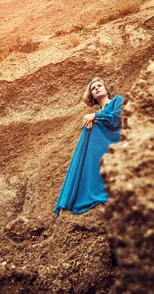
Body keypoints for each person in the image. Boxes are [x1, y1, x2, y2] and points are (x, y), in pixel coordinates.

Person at [54, 77, 124, 215]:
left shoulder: (117, 100)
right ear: (92, 96)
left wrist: (95, 116)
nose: (97, 88)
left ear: (106, 89)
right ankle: (90, 187)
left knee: (92, 125)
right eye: (93, 88)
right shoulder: (95, 114)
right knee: (89, 128)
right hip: (99, 141)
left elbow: (117, 117)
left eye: (99, 86)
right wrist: (94, 118)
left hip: (116, 139)